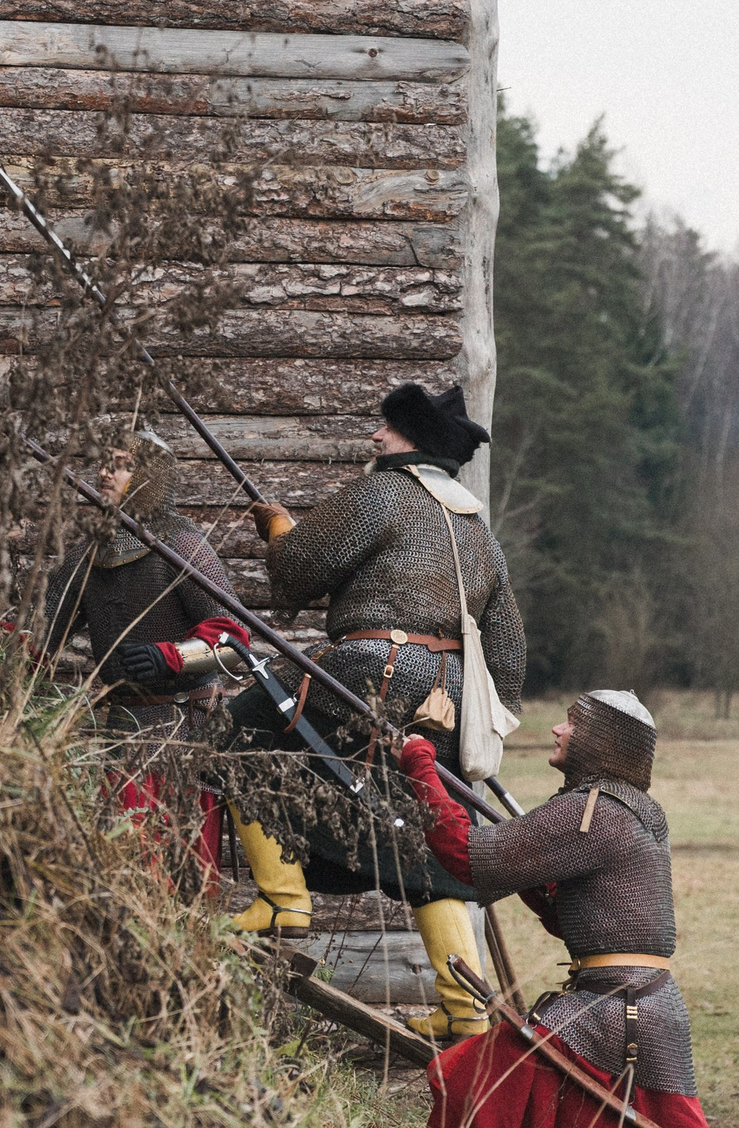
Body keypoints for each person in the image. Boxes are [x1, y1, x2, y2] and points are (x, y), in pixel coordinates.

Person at [218, 382, 526, 1041]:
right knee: (426, 830)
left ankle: (281, 899)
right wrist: (468, 723)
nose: (375, 438)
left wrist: (277, 528)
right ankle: (465, 1006)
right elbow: (509, 655)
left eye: (385, 428)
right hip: (445, 699)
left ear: (409, 438)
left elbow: (298, 570)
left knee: (238, 728)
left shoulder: (381, 492)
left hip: (369, 673)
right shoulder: (480, 532)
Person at [395, 691, 706, 1128]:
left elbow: (466, 856)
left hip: (609, 1010)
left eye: (571, 723)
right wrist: (530, 877)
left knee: (469, 1083)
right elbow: (585, 919)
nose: (558, 729)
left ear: (603, 741)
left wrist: (418, 763)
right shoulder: (640, 812)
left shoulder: (592, 811)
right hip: (648, 1006)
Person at [39, 429, 250, 873]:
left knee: (186, 873)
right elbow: (38, 636)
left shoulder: (183, 547)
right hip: (122, 730)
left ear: (150, 477)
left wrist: (171, 656)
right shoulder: (86, 556)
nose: (103, 472)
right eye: (103, 462)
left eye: (120, 464)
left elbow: (236, 642)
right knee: (124, 868)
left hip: (184, 732)